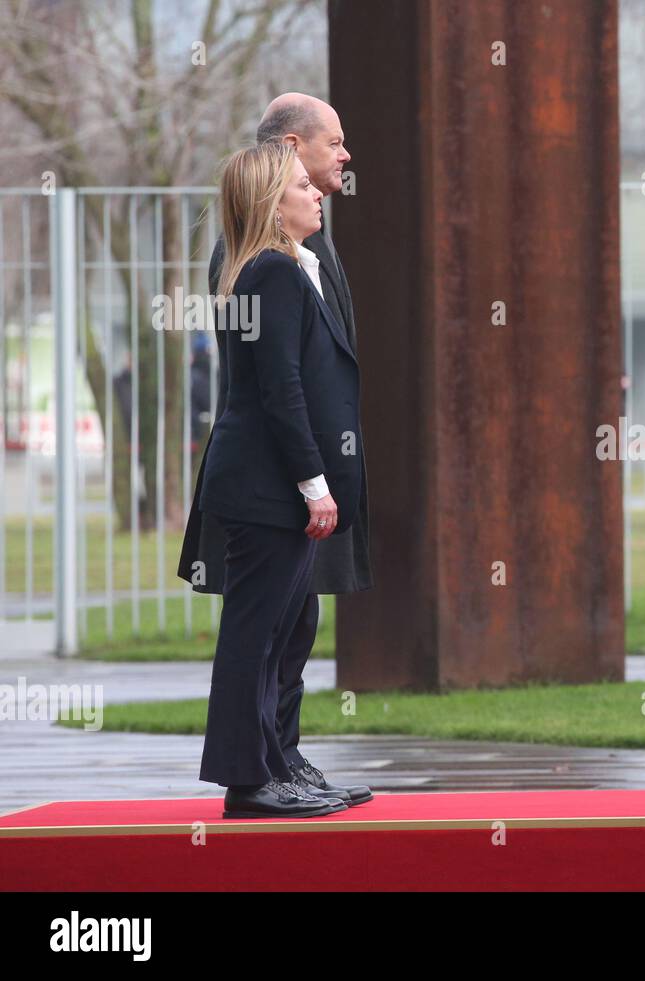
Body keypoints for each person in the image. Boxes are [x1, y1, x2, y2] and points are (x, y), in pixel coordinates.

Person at [179, 93, 372, 808]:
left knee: (290, 623)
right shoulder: (267, 262)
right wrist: (313, 478)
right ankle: (254, 776)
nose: (342, 157)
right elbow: (279, 385)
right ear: (291, 151)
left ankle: (277, 760)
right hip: (277, 475)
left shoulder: (295, 249)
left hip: (296, 471)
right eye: (333, 144)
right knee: (260, 631)